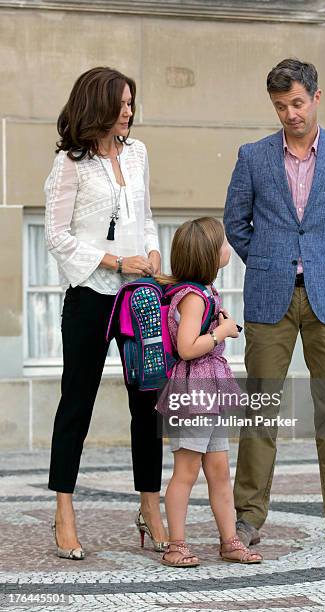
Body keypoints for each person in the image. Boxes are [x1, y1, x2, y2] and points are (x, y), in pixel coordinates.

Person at [224, 59, 325, 549]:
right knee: (261, 409)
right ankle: (247, 518)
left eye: (296, 103)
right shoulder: (252, 156)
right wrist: (271, 260)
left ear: (316, 97)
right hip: (269, 298)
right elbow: (235, 221)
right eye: (279, 106)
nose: (289, 114)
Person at [45, 67, 167, 560]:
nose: (129, 112)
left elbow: (147, 217)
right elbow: (57, 236)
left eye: (132, 104)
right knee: (77, 402)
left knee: (148, 401)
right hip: (91, 294)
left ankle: (150, 507)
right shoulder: (68, 165)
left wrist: (153, 254)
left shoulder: (137, 154)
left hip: (140, 295)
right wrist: (113, 260)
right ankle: (64, 510)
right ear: (97, 105)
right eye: (121, 103)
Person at [155, 217, 262, 566]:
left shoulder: (205, 294)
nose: (227, 248)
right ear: (207, 255)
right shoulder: (194, 299)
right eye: (222, 244)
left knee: (219, 471)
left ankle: (230, 541)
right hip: (194, 391)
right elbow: (186, 347)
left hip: (210, 392)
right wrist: (222, 332)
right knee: (185, 471)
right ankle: (176, 545)